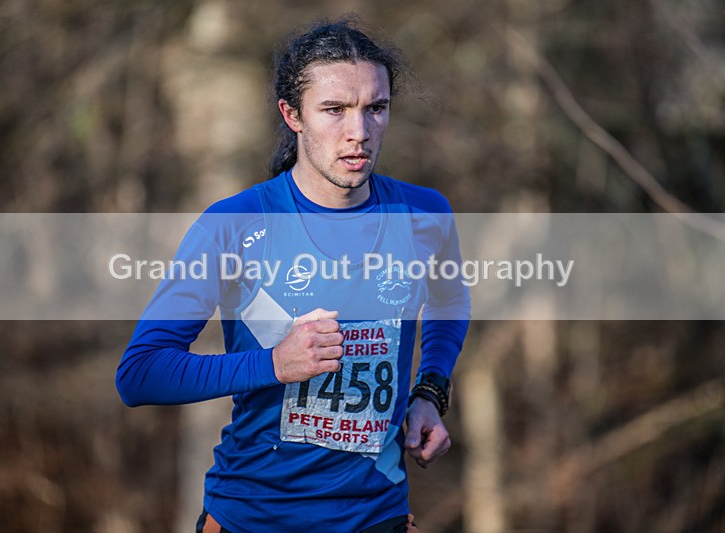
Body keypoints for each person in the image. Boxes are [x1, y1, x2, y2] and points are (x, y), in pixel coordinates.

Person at [116, 18, 470, 533]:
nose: (359, 132)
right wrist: (273, 364)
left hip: (375, 515)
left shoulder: (425, 215)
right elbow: (140, 374)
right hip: (253, 516)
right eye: (334, 110)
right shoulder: (234, 225)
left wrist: (429, 391)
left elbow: (449, 302)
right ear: (292, 114)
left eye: (376, 108)